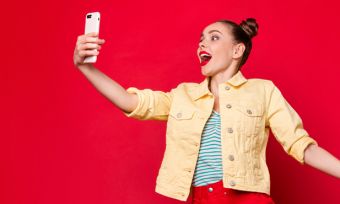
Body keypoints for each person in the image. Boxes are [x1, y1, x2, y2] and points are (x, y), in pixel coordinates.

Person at [73, 18, 340, 204]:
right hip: (202, 199)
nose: (203, 44)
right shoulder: (183, 95)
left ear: (237, 49)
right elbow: (132, 103)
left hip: (249, 199)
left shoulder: (263, 91)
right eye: (201, 40)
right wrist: (86, 67)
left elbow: (301, 146)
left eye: (214, 38)